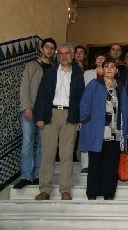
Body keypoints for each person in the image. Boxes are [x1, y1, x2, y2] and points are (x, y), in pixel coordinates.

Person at [33, 43, 85, 200]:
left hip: (70, 116)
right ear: (58, 56)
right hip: (50, 115)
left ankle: (65, 190)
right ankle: (45, 189)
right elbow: (41, 95)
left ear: (72, 55)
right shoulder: (49, 73)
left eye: (67, 53)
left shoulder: (78, 74)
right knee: (48, 154)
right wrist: (40, 117)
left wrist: (80, 119)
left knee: (66, 154)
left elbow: (81, 98)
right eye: (61, 53)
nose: (64, 56)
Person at [79, 58, 128, 200]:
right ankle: (92, 192)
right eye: (106, 66)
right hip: (97, 131)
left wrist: (126, 129)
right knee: (95, 163)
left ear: (116, 70)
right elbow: (84, 105)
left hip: (115, 132)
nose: (109, 69)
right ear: (102, 69)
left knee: (111, 164)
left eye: (112, 66)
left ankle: (108, 192)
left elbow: (126, 109)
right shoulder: (94, 85)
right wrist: (86, 122)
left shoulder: (120, 87)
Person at [14, 38, 56, 189]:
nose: (49, 50)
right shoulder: (31, 66)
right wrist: (27, 107)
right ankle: (26, 176)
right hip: (30, 111)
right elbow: (24, 87)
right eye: (47, 47)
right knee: (27, 143)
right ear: (41, 49)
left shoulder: (54, 69)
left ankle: (38, 175)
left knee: (43, 146)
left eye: (52, 48)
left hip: (45, 113)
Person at [79, 52, 106, 173]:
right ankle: (85, 165)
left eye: (103, 58)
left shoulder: (110, 73)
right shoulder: (87, 73)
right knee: (86, 137)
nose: (100, 60)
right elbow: (83, 92)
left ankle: (100, 164)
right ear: (95, 61)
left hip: (103, 111)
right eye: (98, 58)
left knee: (102, 139)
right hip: (89, 111)